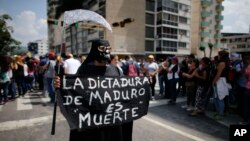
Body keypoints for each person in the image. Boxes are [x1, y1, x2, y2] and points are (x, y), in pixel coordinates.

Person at [54, 39, 133, 141]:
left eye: (108, 49)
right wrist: (59, 85)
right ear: (95, 51)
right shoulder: (84, 70)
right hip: (92, 122)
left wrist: (143, 83)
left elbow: (125, 87)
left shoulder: (115, 70)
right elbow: (74, 91)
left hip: (112, 120)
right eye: (102, 49)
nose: (106, 52)